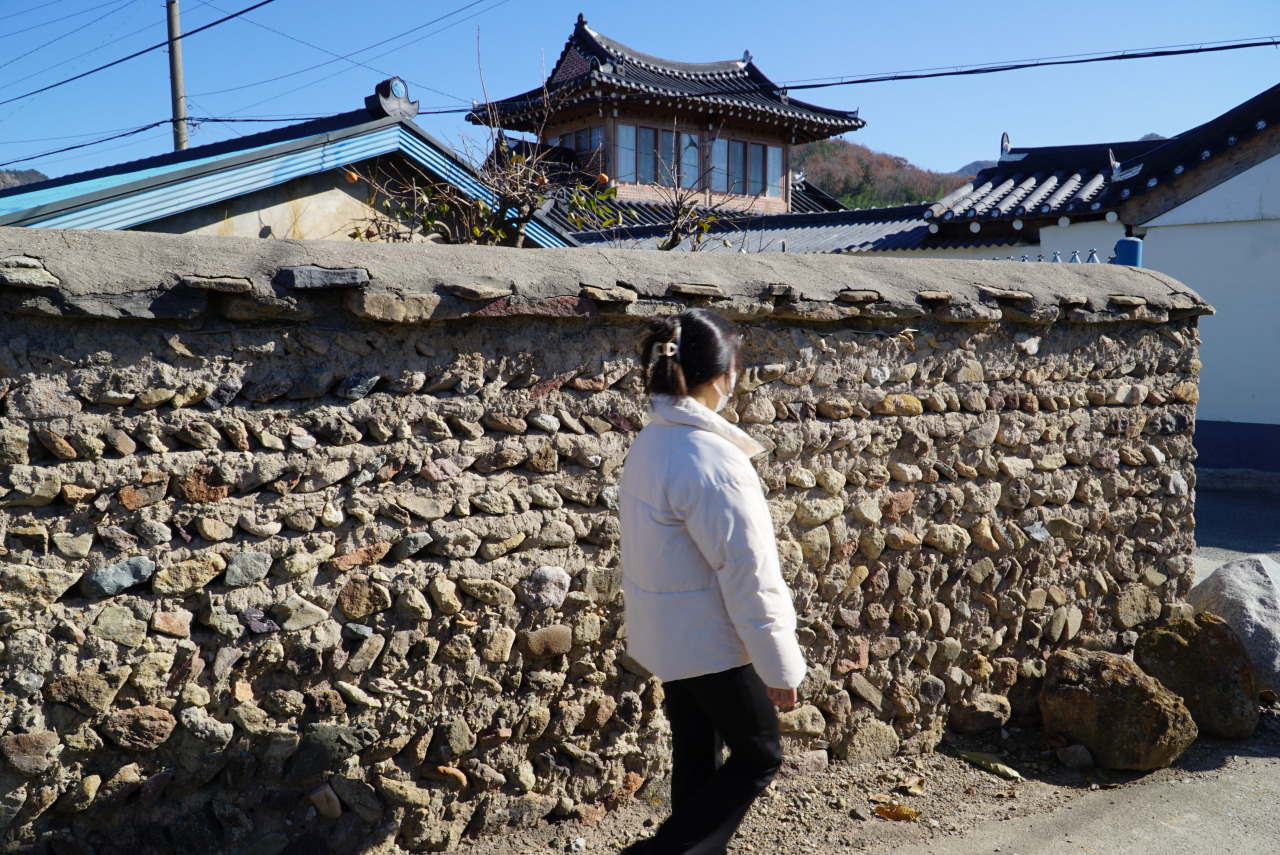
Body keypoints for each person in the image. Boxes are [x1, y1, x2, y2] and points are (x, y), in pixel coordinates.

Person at [618, 308, 808, 855]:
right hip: (711, 641)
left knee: (698, 757)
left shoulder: (653, 441)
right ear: (724, 375)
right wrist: (778, 663)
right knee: (759, 754)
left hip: (671, 635)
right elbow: (748, 571)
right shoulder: (711, 458)